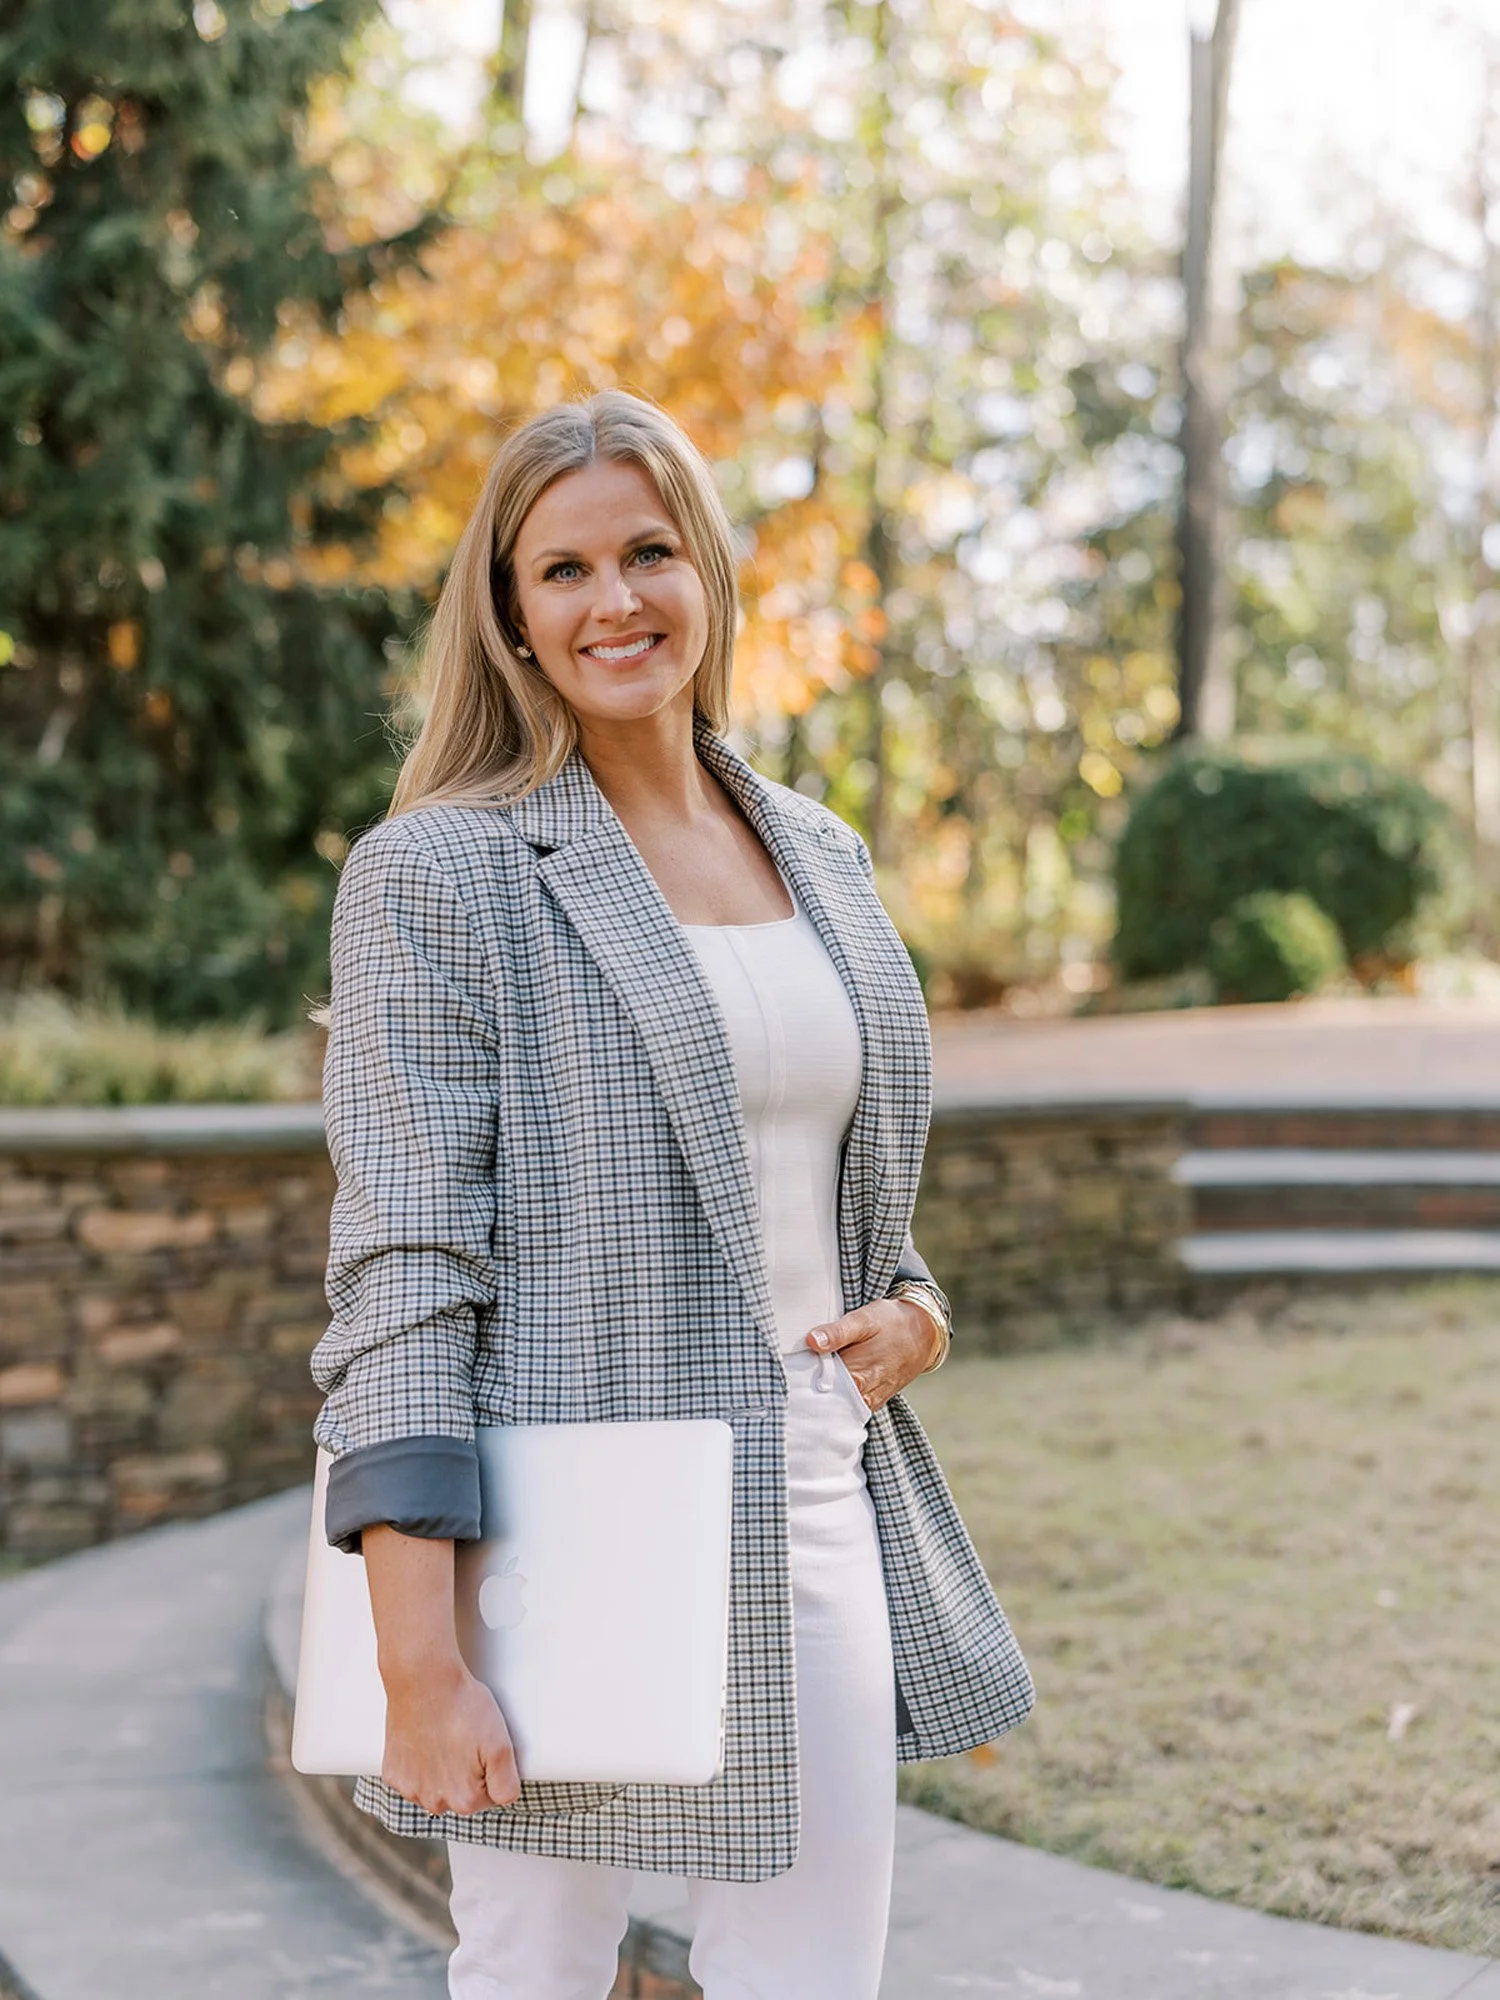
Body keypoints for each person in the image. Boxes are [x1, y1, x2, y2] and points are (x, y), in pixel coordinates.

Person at [309, 388, 1032, 2000]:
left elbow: (815, 1167)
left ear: (706, 570)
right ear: (509, 613)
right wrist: (417, 1658)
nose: (614, 600)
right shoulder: (442, 870)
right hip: (554, 1526)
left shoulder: (821, 852)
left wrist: (915, 1307)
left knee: (810, 1975)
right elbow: (404, 1271)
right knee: (538, 1973)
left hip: (811, 1492)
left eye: (647, 552)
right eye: (562, 570)